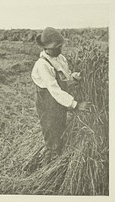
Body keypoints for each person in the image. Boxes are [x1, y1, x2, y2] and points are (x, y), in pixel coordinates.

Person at [31, 27, 91, 160]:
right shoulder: (42, 65)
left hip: (58, 102)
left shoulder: (60, 58)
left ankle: (58, 155)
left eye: (60, 46)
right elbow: (54, 90)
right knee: (52, 134)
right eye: (56, 47)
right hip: (47, 103)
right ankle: (50, 163)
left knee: (60, 128)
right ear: (46, 47)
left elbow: (64, 78)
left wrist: (73, 77)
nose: (59, 49)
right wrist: (75, 105)